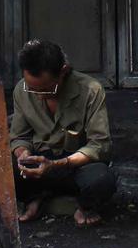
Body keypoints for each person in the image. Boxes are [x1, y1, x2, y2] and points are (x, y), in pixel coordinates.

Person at [10, 39, 117, 227]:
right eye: (32, 89)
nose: (39, 95)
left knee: (102, 179)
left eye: (47, 89)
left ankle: (84, 207)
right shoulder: (21, 90)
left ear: (64, 71)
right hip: (38, 166)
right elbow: (20, 137)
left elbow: (99, 145)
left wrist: (57, 164)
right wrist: (23, 155)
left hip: (74, 166)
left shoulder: (91, 90)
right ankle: (34, 199)